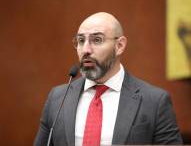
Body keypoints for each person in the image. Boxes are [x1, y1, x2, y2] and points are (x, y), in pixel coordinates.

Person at [34, 12, 183, 146]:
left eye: (97, 40)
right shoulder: (58, 98)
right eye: (80, 40)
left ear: (119, 45)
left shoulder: (155, 101)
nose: (86, 49)